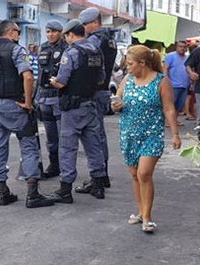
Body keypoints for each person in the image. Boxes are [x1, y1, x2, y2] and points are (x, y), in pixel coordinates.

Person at [0, 20, 54, 208]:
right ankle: (33, 194)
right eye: (18, 32)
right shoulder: (17, 50)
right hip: (16, 105)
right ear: (12, 32)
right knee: (29, 146)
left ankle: (3, 193)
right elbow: (28, 76)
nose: (19, 35)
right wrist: (28, 103)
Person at [111, 45, 181, 233]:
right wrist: (116, 105)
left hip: (151, 134)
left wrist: (175, 134)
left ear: (142, 63)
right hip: (128, 134)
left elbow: (169, 108)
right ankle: (141, 212)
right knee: (135, 175)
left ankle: (147, 218)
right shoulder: (127, 80)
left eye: (131, 64)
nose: (127, 68)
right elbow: (116, 99)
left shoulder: (161, 81)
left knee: (144, 174)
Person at [48, 19, 107, 203]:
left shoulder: (72, 52)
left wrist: (53, 81)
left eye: (66, 36)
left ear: (71, 34)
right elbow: (101, 78)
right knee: (93, 146)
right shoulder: (96, 51)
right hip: (90, 104)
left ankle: (65, 189)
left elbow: (62, 81)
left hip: (72, 108)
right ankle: (98, 185)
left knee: (67, 148)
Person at [75, 7, 117, 194]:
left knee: (94, 137)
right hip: (102, 90)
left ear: (94, 22)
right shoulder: (109, 40)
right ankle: (103, 176)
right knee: (99, 135)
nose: (84, 28)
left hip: (93, 92)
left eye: (85, 24)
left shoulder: (94, 40)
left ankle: (98, 178)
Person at [36, 20, 67, 178]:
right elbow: (39, 74)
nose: (50, 34)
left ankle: (65, 167)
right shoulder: (43, 47)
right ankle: (54, 165)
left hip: (59, 98)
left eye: (53, 31)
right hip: (44, 98)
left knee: (63, 136)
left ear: (60, 32)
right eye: (48, 31)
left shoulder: (67, 47)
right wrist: (36, 97)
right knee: (50, 137)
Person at [164, 40, 189, 126]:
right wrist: (167, 82)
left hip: (184, 84)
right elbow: (165, 69)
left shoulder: (187, 57)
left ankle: (175, 120)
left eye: (184, 47)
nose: (182, 48)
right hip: (173, 85)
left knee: (180, 105)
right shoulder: (170, 56)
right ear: (176, 47)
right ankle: (168, 121)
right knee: (171, 104)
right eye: (180, 46)